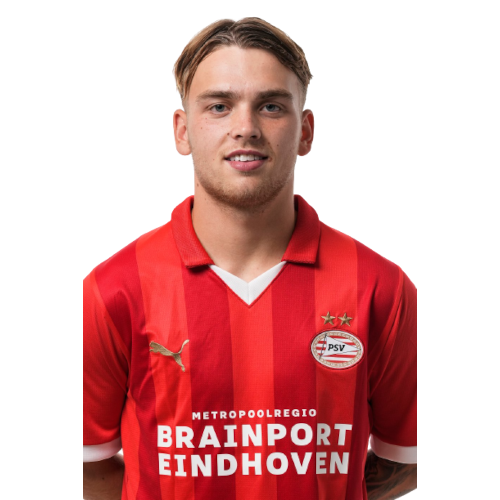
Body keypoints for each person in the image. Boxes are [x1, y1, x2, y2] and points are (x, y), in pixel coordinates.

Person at [83, 17, 417, 500]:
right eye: (219, 106)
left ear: (306, 132)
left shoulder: (381, 287)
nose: (245, 128)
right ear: (182, 131)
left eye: (271, 106)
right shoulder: (111, 289)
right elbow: (90, 465)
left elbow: (404, 460)